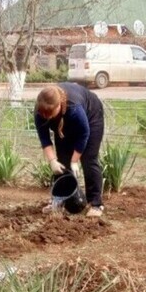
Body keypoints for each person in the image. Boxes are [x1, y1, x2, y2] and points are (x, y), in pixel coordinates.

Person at [34, 82, 105, 217]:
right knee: (62, 163)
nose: (48, 118)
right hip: (63, 123)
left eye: (50, 114)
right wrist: (52, 161)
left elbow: (84, 134)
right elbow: (44, 139)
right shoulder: (41, 112)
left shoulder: (74, 108)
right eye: (45, 115)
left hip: (91, 118)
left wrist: (74, 161)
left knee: (89, 159)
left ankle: (96, 203)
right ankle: (60, 201)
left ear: (60, 104)